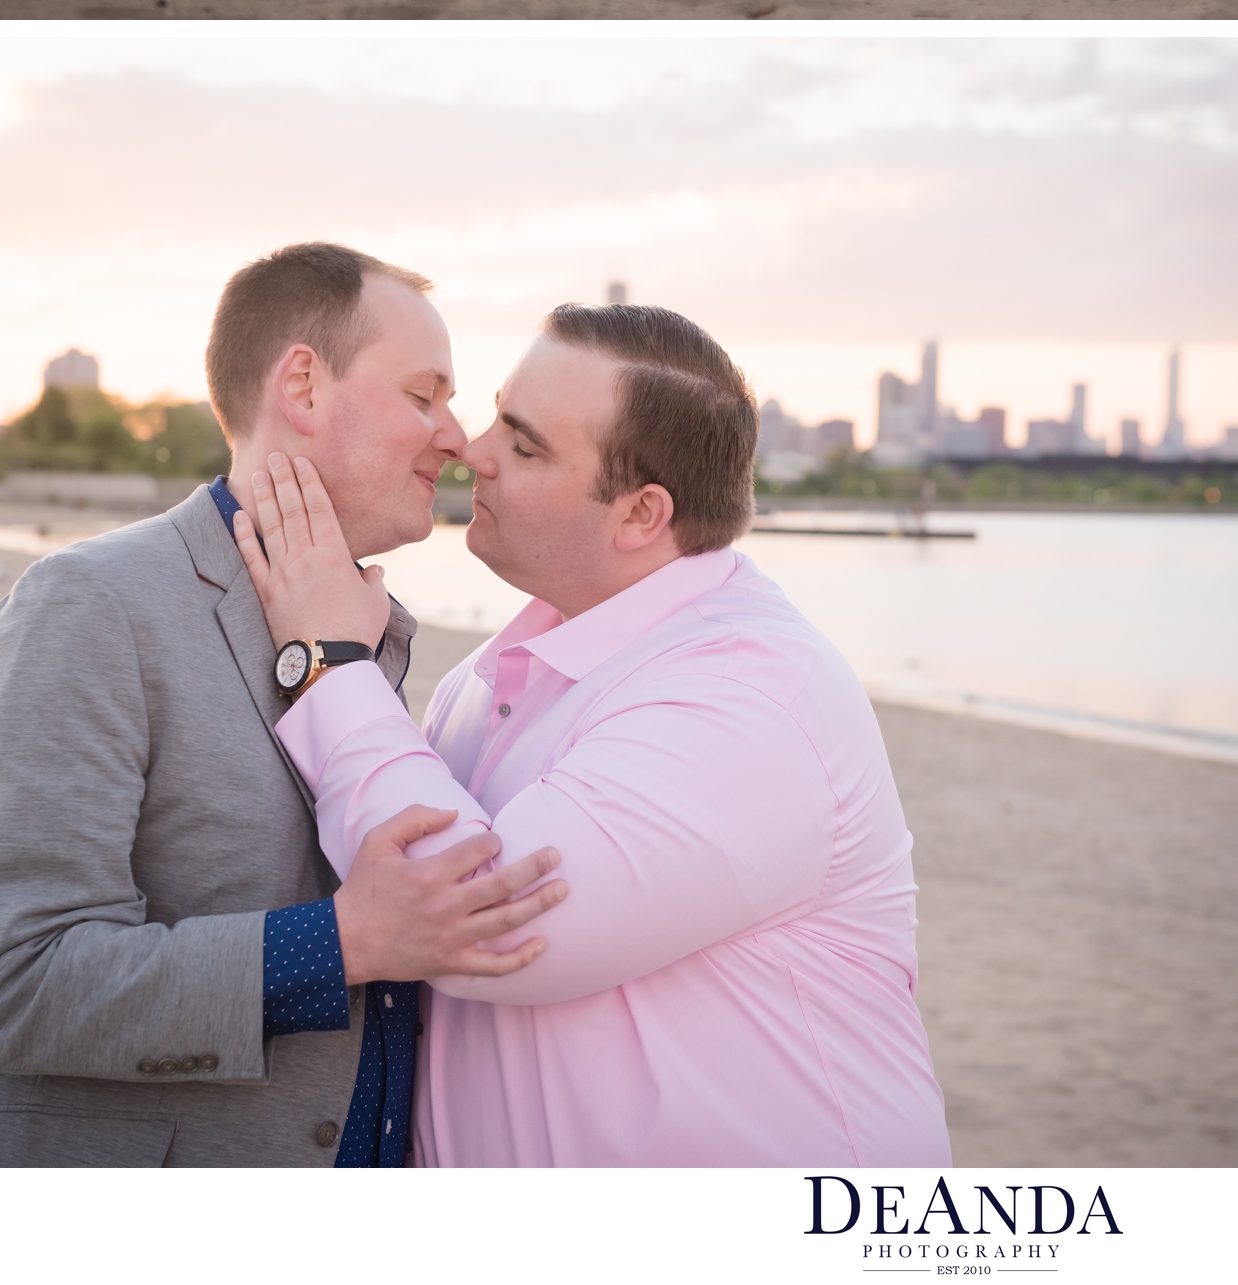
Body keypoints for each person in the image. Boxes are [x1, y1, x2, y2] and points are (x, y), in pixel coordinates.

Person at [237, 301, 950, 1167]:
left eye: (526, 444)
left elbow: (487, 929)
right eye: (498, 414)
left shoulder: (748, 695)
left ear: (641, 515)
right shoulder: (490, 681)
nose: (472, 449)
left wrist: (329, 664)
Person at [0, 243, 565, 1169]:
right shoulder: (92, 607)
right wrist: (343, 943)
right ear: (303, 386)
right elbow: (18, 986)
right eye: (424, 396)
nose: (459, 440)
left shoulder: (370, 626)